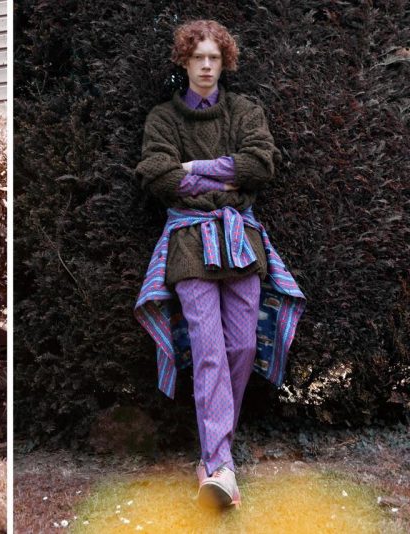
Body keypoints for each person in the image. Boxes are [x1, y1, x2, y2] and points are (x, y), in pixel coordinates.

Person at [133, 20, 305, 509]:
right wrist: (221, 181)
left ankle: (216, 453)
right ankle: (219, 465)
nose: (206, 66)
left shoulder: (246, 110)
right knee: (207, 350)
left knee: (243, 344)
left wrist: (194, 169)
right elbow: (157, 176)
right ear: (185, 62)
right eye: (198, 58)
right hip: (188, 243)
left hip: (241, 240)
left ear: (223, 62)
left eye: (214, 58)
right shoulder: (162, 119)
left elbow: (259, 166)